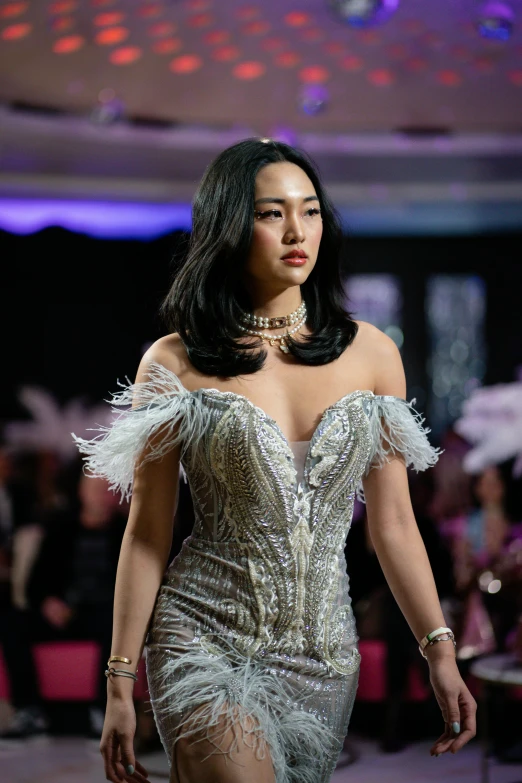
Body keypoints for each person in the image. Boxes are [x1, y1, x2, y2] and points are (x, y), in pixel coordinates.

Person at [74, 138, 477, 783]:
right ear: (231, 227)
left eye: (311, 211)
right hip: (204, 634)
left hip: (324, 653)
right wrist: (120, 682)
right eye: (271, 214)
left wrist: (439, 649)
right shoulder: (174, 362)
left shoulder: (372, 354)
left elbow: (393, 522)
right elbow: (147, 532)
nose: (298, 231)